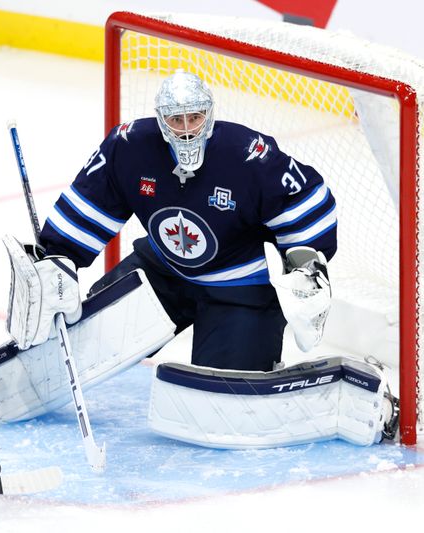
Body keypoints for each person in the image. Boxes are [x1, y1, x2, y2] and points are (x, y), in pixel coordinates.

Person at [35, 69, 337, 372]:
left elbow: (308, 201)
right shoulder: (129, 148)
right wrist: (58, 257)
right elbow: (93, 200)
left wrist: (306, 269)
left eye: (194, 118)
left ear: (209, 115)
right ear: (160, 120)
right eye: (175, 120)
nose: (187, 130)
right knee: (85, 344)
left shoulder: (248, 156)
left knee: (223, 394)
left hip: (241, 288)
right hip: (161, 271)